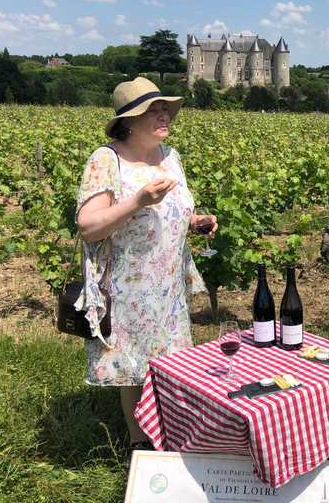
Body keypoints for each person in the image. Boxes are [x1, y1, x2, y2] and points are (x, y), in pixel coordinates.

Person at [75, 77, 217, 464]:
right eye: (153, 110)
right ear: (129, 123)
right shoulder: (107, 159)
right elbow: (88, 226)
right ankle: (139, 445)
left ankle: (169, 432)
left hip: (168, 285)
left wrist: (196, 220)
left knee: (170, 360)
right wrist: (137, 200)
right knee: (134, 365)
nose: (163, 115)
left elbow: (171, 211)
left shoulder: (170, 156)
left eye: (164, 109)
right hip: (128, 286)